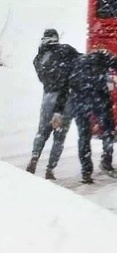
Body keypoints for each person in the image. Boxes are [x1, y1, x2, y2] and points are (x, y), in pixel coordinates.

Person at [55, 47, 117, 184]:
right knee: (108, 130)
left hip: (79, 101)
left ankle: (86, 172)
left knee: (84, 136)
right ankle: (106, 161)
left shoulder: (76, 63)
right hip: (100, 98)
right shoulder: (104, 57)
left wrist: (58, 112)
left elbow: (63, 88)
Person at [28, 28, 80, 180]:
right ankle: (50, 169)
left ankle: (34, 158)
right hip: (65, 98)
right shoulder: (66, 50)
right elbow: (81, 62)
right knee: (59, 137)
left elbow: (44, 78)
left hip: (48, 97)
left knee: (42, 132)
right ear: (56, 37)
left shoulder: (38, 58)